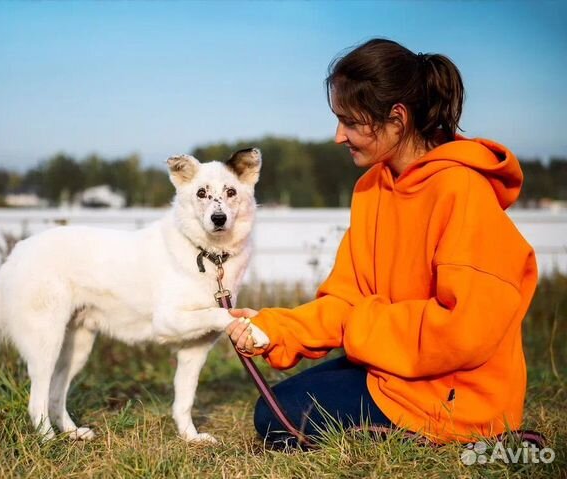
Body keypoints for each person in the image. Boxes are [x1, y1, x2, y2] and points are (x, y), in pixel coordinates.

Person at [225, 38, 537, 447]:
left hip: (456, 396)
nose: (339, 136)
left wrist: (360, 326)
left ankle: (471, 438)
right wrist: (276, 328)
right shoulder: (372, 188)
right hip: (396, 367)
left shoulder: (463, 191)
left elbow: (464, 332)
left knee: (279, 418)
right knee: (278, 407)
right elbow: (345, 298)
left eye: (351, 122)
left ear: (397, 118)